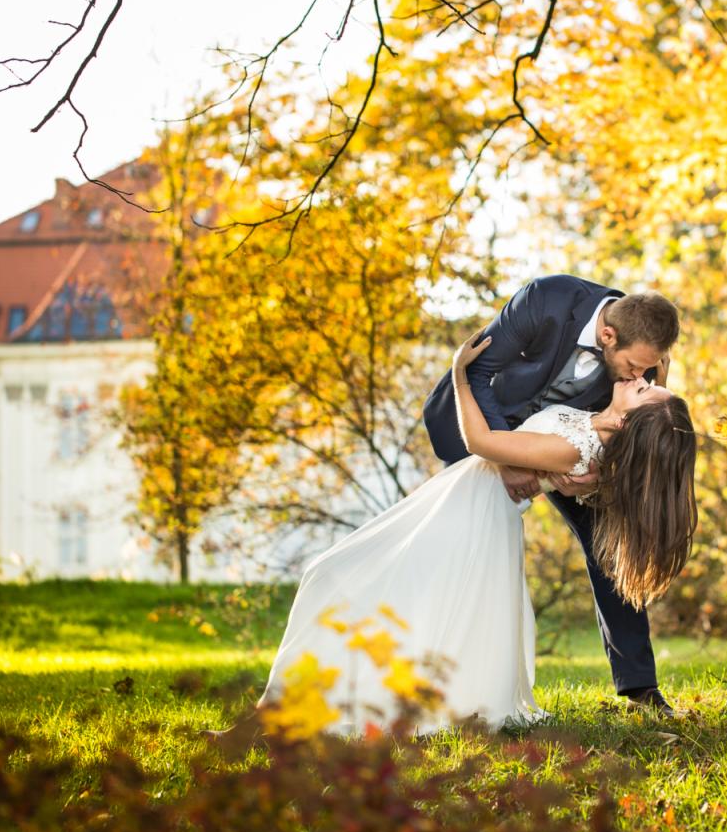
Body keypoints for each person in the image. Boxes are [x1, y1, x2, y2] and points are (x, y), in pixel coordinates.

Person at [246, 321, 697, 736]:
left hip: (468, 514)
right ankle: (296, 708)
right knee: (379, 591)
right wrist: (661, 389)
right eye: (646, 379)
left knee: (333, 576)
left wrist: (460, 376)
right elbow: (647, 431)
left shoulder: (576, 448)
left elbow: (481, 443)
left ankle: (296, 712)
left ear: (625, 420)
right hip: (460, 502)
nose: (643, 379)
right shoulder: (603, 431)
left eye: (644, 389)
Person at [422, 274, 685, 716]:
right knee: (459, 550)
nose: (643, 376)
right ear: (607, 334)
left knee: (608, 546)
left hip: (571, 450)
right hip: (487, 432)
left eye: (649, 369)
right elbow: (479, 372)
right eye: (635, 367)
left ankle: (640, 686)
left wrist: (595, 475)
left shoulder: (647, 359)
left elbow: (640, 440)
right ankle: (437, 671)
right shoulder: (544, 301)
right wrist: (510, 462)